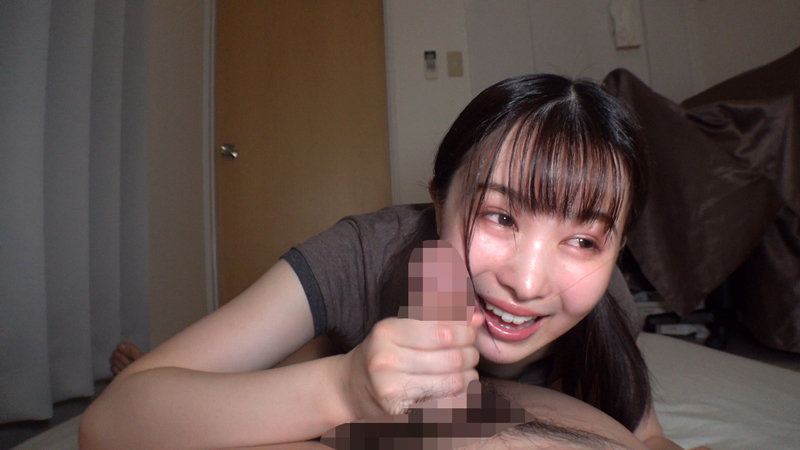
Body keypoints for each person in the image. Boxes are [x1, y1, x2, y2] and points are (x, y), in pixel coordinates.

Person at [80, 74, 679, 448]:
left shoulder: (603, 295)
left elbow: (648, 436)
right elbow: (107, 426)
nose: (526, 282)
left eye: (584, 241)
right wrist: (343, 387)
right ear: (438, 197)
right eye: (500, 217)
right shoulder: (363, 252)